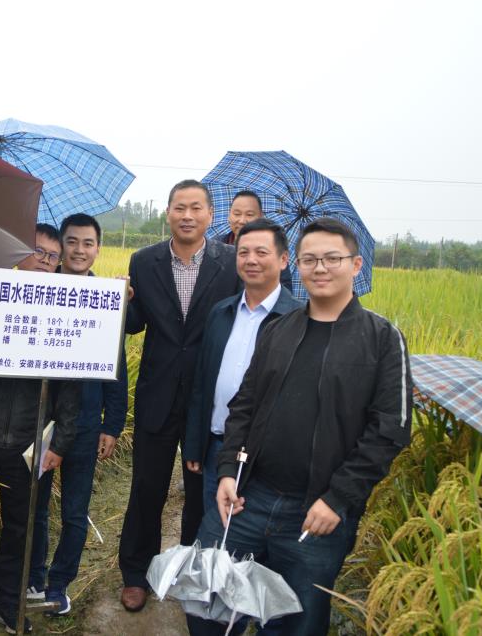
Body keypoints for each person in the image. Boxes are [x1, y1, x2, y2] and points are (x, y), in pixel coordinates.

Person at [214, 217, 412, 635]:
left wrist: (337, 498)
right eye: (310, 260)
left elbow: (389, 430)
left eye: (331, 259)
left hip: (317, 513)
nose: (320, 268)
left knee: (298, 621)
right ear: (297, 265)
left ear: (356, 265)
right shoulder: (279, 329)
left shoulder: (381, 338)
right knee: (221, 607)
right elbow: (245, 405)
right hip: (252, 499)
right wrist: (229, 469)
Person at [118, 180, 241, 612]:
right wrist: (122, 301)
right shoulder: (144, 260)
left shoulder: (230, 263)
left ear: (210, 215)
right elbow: (136, 323)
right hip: (157, 392)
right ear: (167, 212)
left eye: (195, 208)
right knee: (146, 488)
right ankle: (136, 573)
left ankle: (191, 570)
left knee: (200, 491)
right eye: (179, 208)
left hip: (207, 397)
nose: (187, 216)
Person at [181, 218, 301, 635]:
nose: (251, 260)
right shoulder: (222, 311)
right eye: (243, 252)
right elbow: (203, 382)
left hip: (266, 463)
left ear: (283, 260)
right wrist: (195, 443)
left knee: (257, 553)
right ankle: (217, 622)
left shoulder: (297, 319)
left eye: (261, 252)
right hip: (218, 449)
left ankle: (249, 618)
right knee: (215, 551)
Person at [0, 223, 82, 634]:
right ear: (19, 255)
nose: (45, 262)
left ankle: (7, 597)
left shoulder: (66, 311)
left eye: (52, 256)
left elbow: (71, 388)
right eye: (38, 252)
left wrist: (60, 442)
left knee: (20, 526)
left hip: (31, 442)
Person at [29, 213, 128, 617]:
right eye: (72, 242)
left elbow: (117, 367)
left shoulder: (107, 299)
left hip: (86, 422)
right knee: (35, 507)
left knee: (74, 510)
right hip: (40, 420)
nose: (79, 250)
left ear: (98, 249)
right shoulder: (36, 289)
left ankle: (58, 584)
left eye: (88, 243)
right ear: (61, 246)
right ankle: (33, 578)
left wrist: (113, 423)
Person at [221, 190, 292, 291]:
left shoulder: (274, 248)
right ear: (229, 215)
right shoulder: (216, 246)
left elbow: (285, 290)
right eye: (237, 214)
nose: (242, 221)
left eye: (249, 215)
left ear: (260, 217)